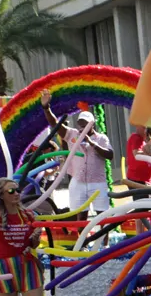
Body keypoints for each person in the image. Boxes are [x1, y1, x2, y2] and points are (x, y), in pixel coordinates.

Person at [39, 91, 113, 222]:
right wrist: (46, 107)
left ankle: (104, 236)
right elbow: (55, 124)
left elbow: (110, 155)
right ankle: (82, 236)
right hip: (78, 181)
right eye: (80, 123)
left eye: (85, 124)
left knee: (102, 216)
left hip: (97, 182)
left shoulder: (101, 138)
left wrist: (92, 143)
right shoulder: (72, 134)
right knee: (80, 216)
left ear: (92, 124)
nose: (82, 127)